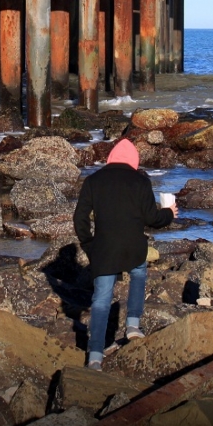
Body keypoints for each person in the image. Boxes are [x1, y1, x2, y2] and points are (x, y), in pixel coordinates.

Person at [72, 138, 176, 370]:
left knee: (101, 300)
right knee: (138, 274)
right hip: (133, 247)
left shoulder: (93, 180)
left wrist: (89, 245)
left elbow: (79, 219)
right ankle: (132, 324)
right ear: (134, 161)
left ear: (110, 158)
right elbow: (152, 219)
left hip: (104, 249)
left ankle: (96, 356)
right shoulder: (140, 180)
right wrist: (169, 212)